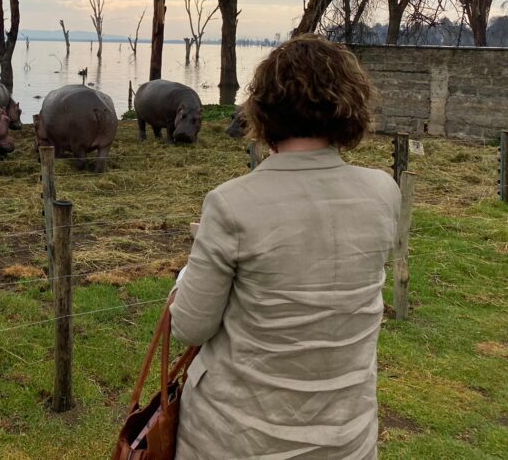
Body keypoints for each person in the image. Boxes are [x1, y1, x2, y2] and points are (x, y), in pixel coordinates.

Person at [170, 34, 400, 459]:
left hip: (236, 439)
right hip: (347, 437)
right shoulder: (383, 191)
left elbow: (189, 327)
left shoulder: (230, 203)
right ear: (350, 106)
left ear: (263, 109)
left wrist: (189, 273)